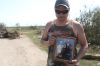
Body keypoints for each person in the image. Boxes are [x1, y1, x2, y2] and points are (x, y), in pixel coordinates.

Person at [41, 0, 88, 66]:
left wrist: (77, 59)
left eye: (64, 11)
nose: (61, 14)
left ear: (69, 10)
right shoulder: (49, 25)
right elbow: (42, 41)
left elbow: (84, 45)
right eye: (58, 11)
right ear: (54, 10)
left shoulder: (76, 26)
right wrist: (48, 42)